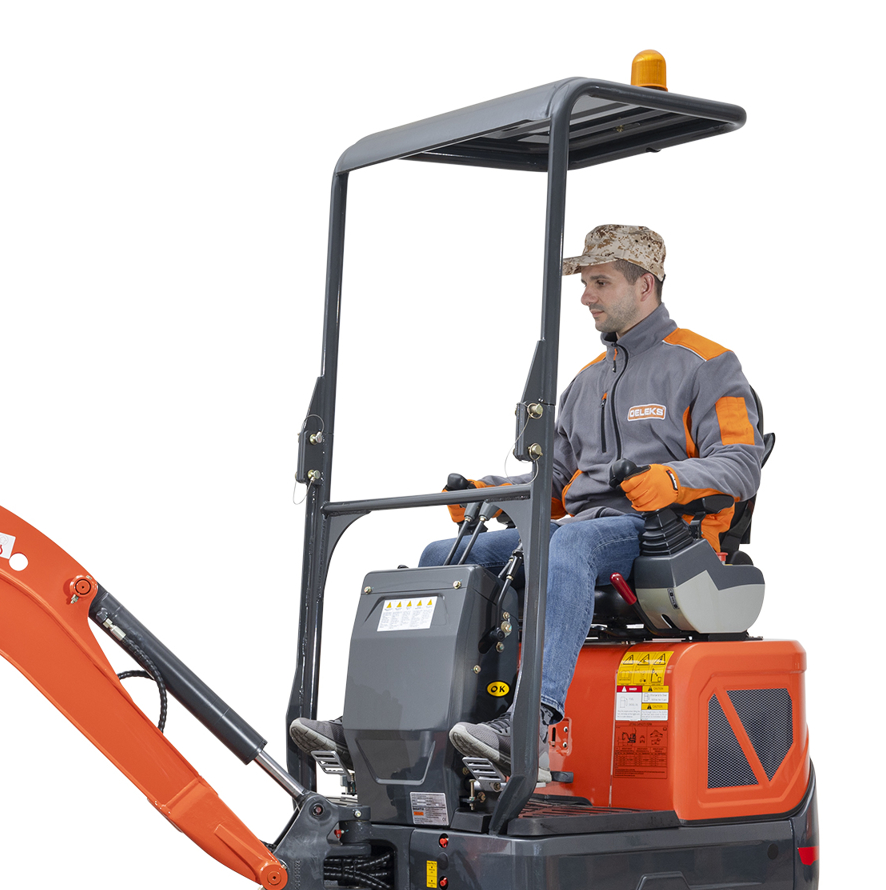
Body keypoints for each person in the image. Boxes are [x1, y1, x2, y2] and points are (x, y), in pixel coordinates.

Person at [291, 224, 765, 775]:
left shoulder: (706, 364)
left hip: (662, 532)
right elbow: (558, 484)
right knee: (442, 556)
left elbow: (742, 462)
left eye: (600, 282)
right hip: (582, 528)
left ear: (645, 285)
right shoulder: (586, 382)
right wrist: (495, 494)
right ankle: (388, 720)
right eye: (585, 283)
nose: (586, 297)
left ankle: (531, 724)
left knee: (571, 545)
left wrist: (672, 481)